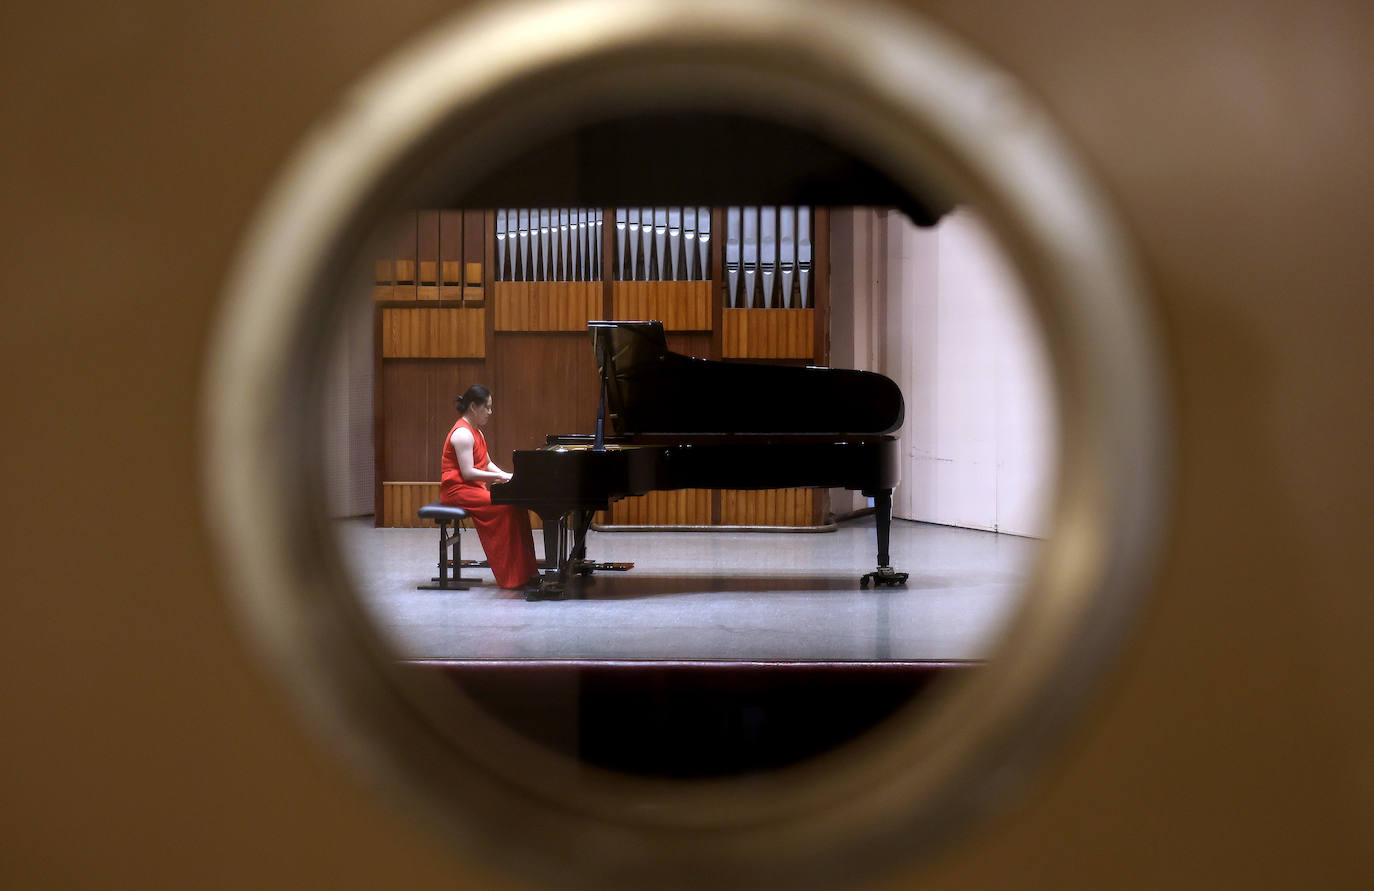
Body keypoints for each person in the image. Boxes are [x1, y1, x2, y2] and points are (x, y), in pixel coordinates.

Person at [440, 385, 539, 589]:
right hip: (457, 492)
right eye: (488, 407)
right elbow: (468, 472)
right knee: (504, 508)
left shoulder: (477, 432)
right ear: (474, 407)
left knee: (515, 505)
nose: (490, 412)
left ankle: (527, 572)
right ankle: (512, 577)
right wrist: (499, 476)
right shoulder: (462, 434)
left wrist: (508, 476)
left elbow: (486, 463)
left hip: (472, 489)